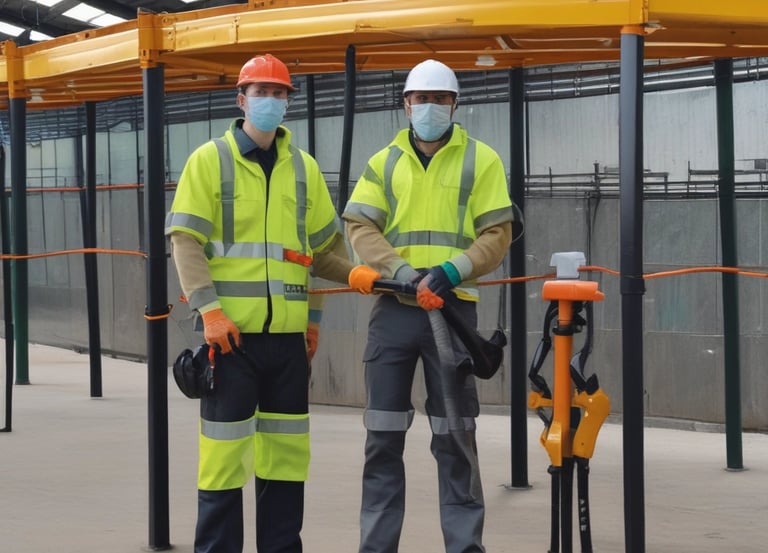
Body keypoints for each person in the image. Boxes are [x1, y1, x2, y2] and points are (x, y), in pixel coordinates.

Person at [165, 53, 380, 553]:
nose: (271, 100)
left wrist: (325, 307)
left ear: (288, 102)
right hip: (230, 341)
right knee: (224, 464)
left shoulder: (303, 169)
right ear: (241, 100)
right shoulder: (210, 160)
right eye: (261, 91)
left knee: (285, 463)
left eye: (279, 93)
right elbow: (185, 240)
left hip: (287, 346)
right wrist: (209, 312)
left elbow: (322, 251)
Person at [342, 58, 523, 553]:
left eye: (440, 99)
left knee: (455, 438)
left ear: (454, 105)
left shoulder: (480, 160)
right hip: (395, 311)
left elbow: (497, 232)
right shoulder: (384, 162)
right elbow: (360, 226)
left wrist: (452, 270)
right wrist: (402, 273)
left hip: (453, 311)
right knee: (382, 437)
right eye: (421, 99)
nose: (430, 107)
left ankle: (464, 547)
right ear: (406, 105)